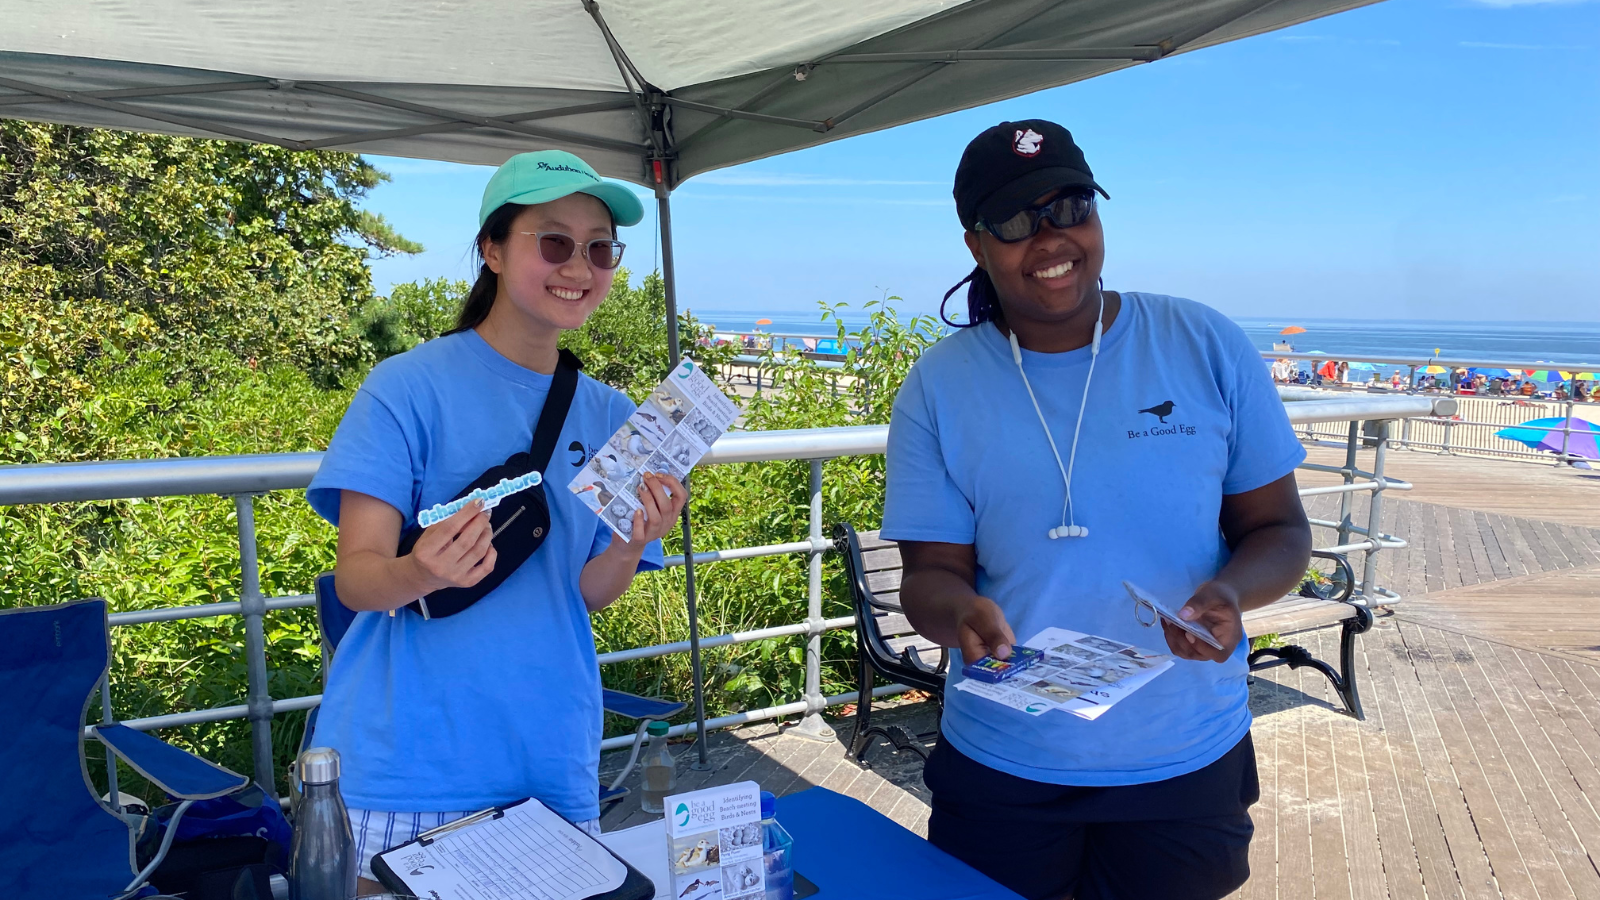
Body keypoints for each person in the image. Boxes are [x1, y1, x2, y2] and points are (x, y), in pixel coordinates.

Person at [884, 120, 1311, 900]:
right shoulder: (939, 384)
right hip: (1002, 762)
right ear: (977, 245)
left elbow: (1279, 530)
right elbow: (928, 575)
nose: (1050, 238)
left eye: (1070, 207)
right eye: (1015, 222)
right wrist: (961, 615)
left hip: (1184, 754)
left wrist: (1232, 594)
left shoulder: (1204, 342)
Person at [305, 150, 687, 893]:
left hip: (549, 758)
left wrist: (634, 541)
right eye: (553, 242)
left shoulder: (614, 415)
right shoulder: (405, 388)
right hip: (405, 766)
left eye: (600, 248)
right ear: (491, 248)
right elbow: (357, 580)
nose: (579, 265)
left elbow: (583, 595)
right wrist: (419, 570)